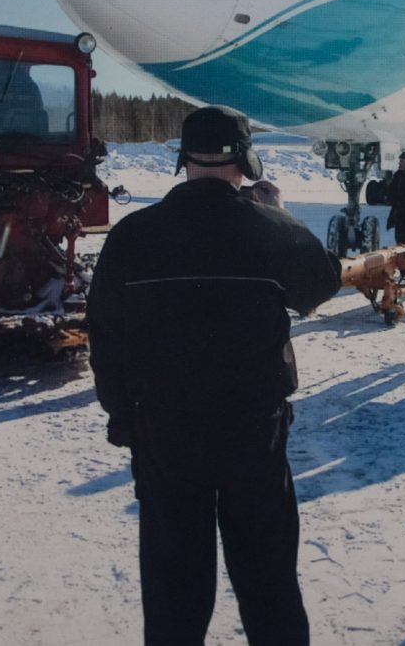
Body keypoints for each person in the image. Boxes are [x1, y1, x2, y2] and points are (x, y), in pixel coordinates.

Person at [86, 105, 341, 645]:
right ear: (244, 163)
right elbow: (320, 285)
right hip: (254, 433)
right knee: (268, 579)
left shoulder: (132, 235)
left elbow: (105, 337)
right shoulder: (267, 227)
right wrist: (283, 214)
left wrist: (124, 419)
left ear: (183, 160)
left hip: (165, 432)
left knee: (174, 587)